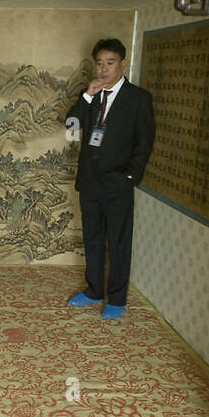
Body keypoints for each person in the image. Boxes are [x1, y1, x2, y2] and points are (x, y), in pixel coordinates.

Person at [64, 38, 156, 319]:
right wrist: (88, 96)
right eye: (100, 63)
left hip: (118, 183)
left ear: (122, 63)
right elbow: (70, 124)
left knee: (118, 241)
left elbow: (145, 143)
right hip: (90, 182)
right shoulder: (90, 95)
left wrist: (130, 177)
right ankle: (93, 290)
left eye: (110, 63)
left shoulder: (138, 98)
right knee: (92, 238)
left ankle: (117, 298)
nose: (103, 69)